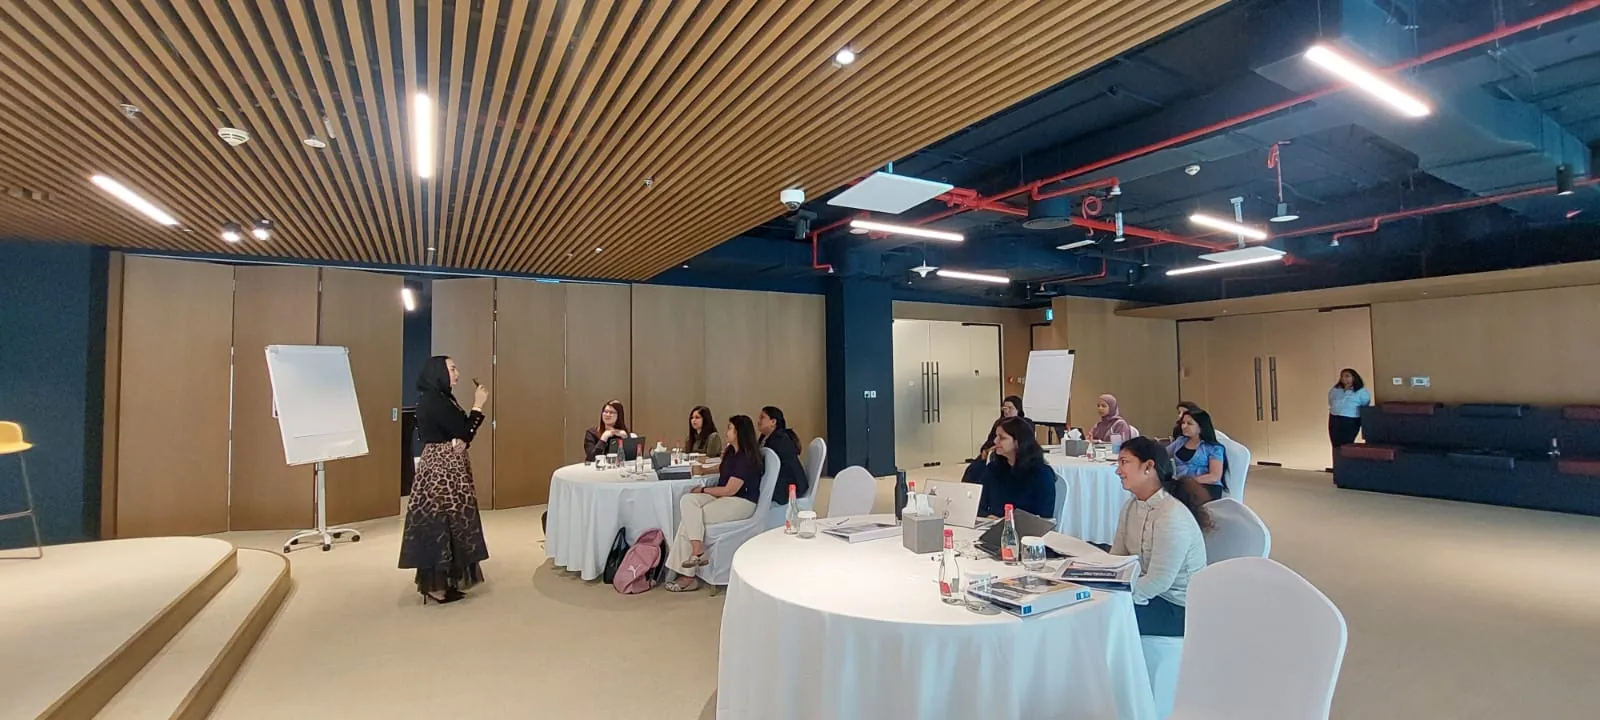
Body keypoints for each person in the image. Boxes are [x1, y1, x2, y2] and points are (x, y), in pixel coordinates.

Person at [399, 356, 490, 605]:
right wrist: (478, 405)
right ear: (438, 372)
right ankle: (435, 586)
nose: (457, 373)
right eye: (452, 368)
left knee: (453, 521)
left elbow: (462, 434)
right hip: (442, 469)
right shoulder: (434, 400)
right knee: (440, 522)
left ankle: (445, 580)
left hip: (448, 464)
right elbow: (464, 430)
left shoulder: (441, 398)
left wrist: (463, 439)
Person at [1111, 437, 1211, 637]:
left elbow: (1159, 581)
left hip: (1178, 607)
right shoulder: (1130, 506)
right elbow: (1117, 557)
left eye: (1124, 462)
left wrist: (1116, 599)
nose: (1118, 471)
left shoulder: (1171, 515)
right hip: (1148, 594)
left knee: (1106, 618)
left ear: (1148, 466)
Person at [665, 415, 764, 592]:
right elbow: (722, 468)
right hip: (724, 497)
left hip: (741, 502)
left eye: (730, 428)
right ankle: (697, 550)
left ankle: (687, 575)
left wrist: (703, 490)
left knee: (691, 520)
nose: (726, 432)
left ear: (739, 432)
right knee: (688, 501)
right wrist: (704, 471)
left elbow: (729, 490)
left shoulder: (746, 458)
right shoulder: (731, 452)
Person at [976, 416, 1057, 519]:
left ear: (1017, 442)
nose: (995, 441)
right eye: (996, 436)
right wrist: (987, 517)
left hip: (1027, 528)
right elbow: (979, 505)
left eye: (1002, 438)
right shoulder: (993, 469)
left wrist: (1008, 522)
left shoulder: (1042, 474)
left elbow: (1045, 516)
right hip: (994, 526)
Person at [963, 395, 1031, 484]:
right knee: (973, 470)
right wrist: (986, 449)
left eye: (1010, 408)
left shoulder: (1026, 423)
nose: (1006, 411)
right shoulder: (999, 423)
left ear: (1018, 409)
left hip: (1013, 454)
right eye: (1004, 408)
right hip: (995, 451)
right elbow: (990, 440)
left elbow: (1026, 441)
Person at [1167, 409, 1228, 501]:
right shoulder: (1180, 441)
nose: (1184, 426)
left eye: (1189, 424)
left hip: (1206, 487)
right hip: (1182, 486)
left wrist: (1189, 482)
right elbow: (1163, 454)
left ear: (1201, 426)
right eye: (1183, 423)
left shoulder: (1214, 448)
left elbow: (1214, 476)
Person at [758, 406, 808, 504]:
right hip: (780, 482)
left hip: (789, 487)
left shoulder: (779, 440)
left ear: (773, 422)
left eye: (762, 417)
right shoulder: (765, 438)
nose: (759, 421)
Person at [1328, 368, 1371, 449]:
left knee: (1347, 443)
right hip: (1335, 418)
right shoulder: (1335, 390)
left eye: (1347, 376)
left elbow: (1365, 404)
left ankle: (1346, 457)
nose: (1343, 378)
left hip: (1351, 419)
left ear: (1354, 378)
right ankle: (1337, 457)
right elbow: (1331, 402)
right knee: (1335, 443)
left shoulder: (1361, 391)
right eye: (1342, 376)